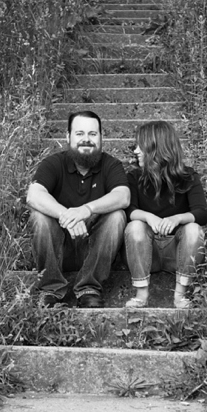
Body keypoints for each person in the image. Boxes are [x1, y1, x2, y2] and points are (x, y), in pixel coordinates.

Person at [26, 110, 130, 308]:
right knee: (39, 216)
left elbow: (123, 196)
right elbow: (34, 195)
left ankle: (89, 287)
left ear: (101, 137)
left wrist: (86, 209)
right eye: (80, 134)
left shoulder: (111, 165)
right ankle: (50, 288)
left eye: (92, 134)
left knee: (117, 215)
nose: (86, 140)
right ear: (68, 136)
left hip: (93, 250)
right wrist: (67, 215)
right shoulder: (53, 163)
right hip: (58, 250)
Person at [123, 121, 207, 309]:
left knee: (193, 228)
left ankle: (180, 296)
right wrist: (148, 216)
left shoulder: (189, 177)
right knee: (135, 225)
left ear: (156, 148)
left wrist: (177, 218)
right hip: (146, 252)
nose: (136, 151)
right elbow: (128, 211)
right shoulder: (134, 177)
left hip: (177, 253)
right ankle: (141, 294)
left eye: (141, 146)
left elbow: (201, 213)